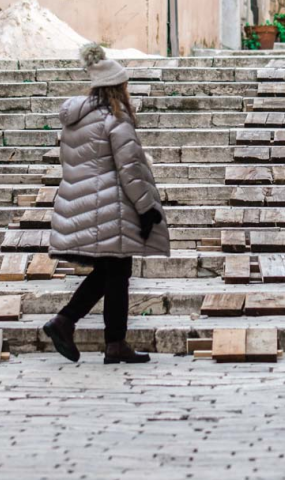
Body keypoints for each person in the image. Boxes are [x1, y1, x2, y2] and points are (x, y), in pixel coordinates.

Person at [43, 44, 169, 364]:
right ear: (118, 87)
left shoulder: (76, 119)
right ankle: (67, 322)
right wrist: (146, 208)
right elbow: (131, 169)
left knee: (114, 270)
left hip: (82, 204)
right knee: (114, 270)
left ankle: (112, 343)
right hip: (111, 206)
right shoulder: (116, 118)